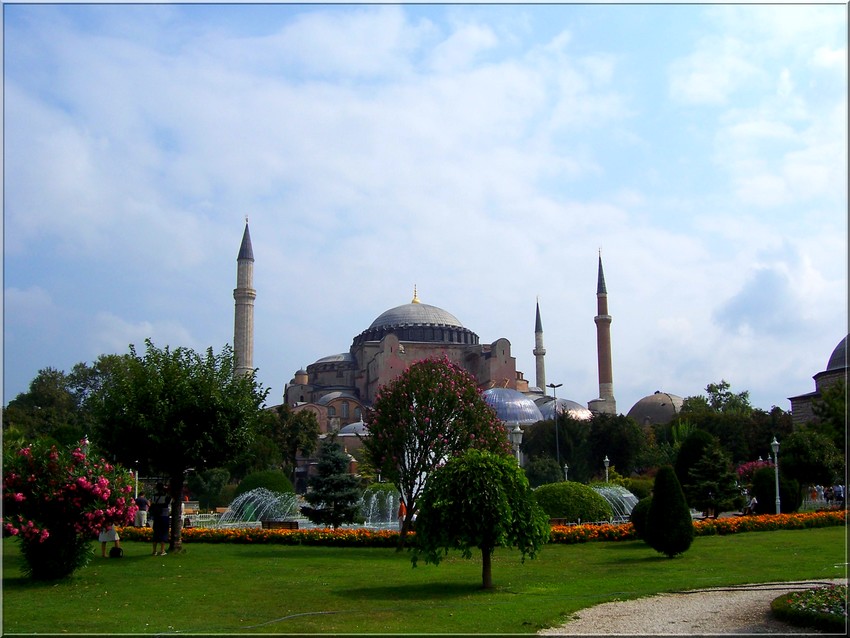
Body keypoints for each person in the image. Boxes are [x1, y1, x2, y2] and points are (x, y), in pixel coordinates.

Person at [149, 482, 172, 556]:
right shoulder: (166, 496)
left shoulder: (154, 497)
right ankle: (162, 550)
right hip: (164, 516)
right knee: (164, 532)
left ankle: (154, 550)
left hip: (156, 516)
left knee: (156, 532)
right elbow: (171, 501)